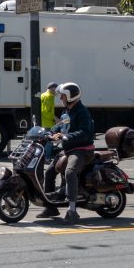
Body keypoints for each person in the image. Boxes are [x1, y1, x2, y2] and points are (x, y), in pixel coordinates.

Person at [38, 82, 94, 224]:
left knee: (70, 171)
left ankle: (72, 211)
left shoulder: (82, 112)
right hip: (68, 149)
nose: (60, 99)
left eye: (62, 96)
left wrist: (65, 137)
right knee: (49, 171)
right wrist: (48, 134)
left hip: (82, 150)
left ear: (70, 97)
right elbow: (59, 127)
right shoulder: (66, 112)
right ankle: (51, 207)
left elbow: (85, 132)